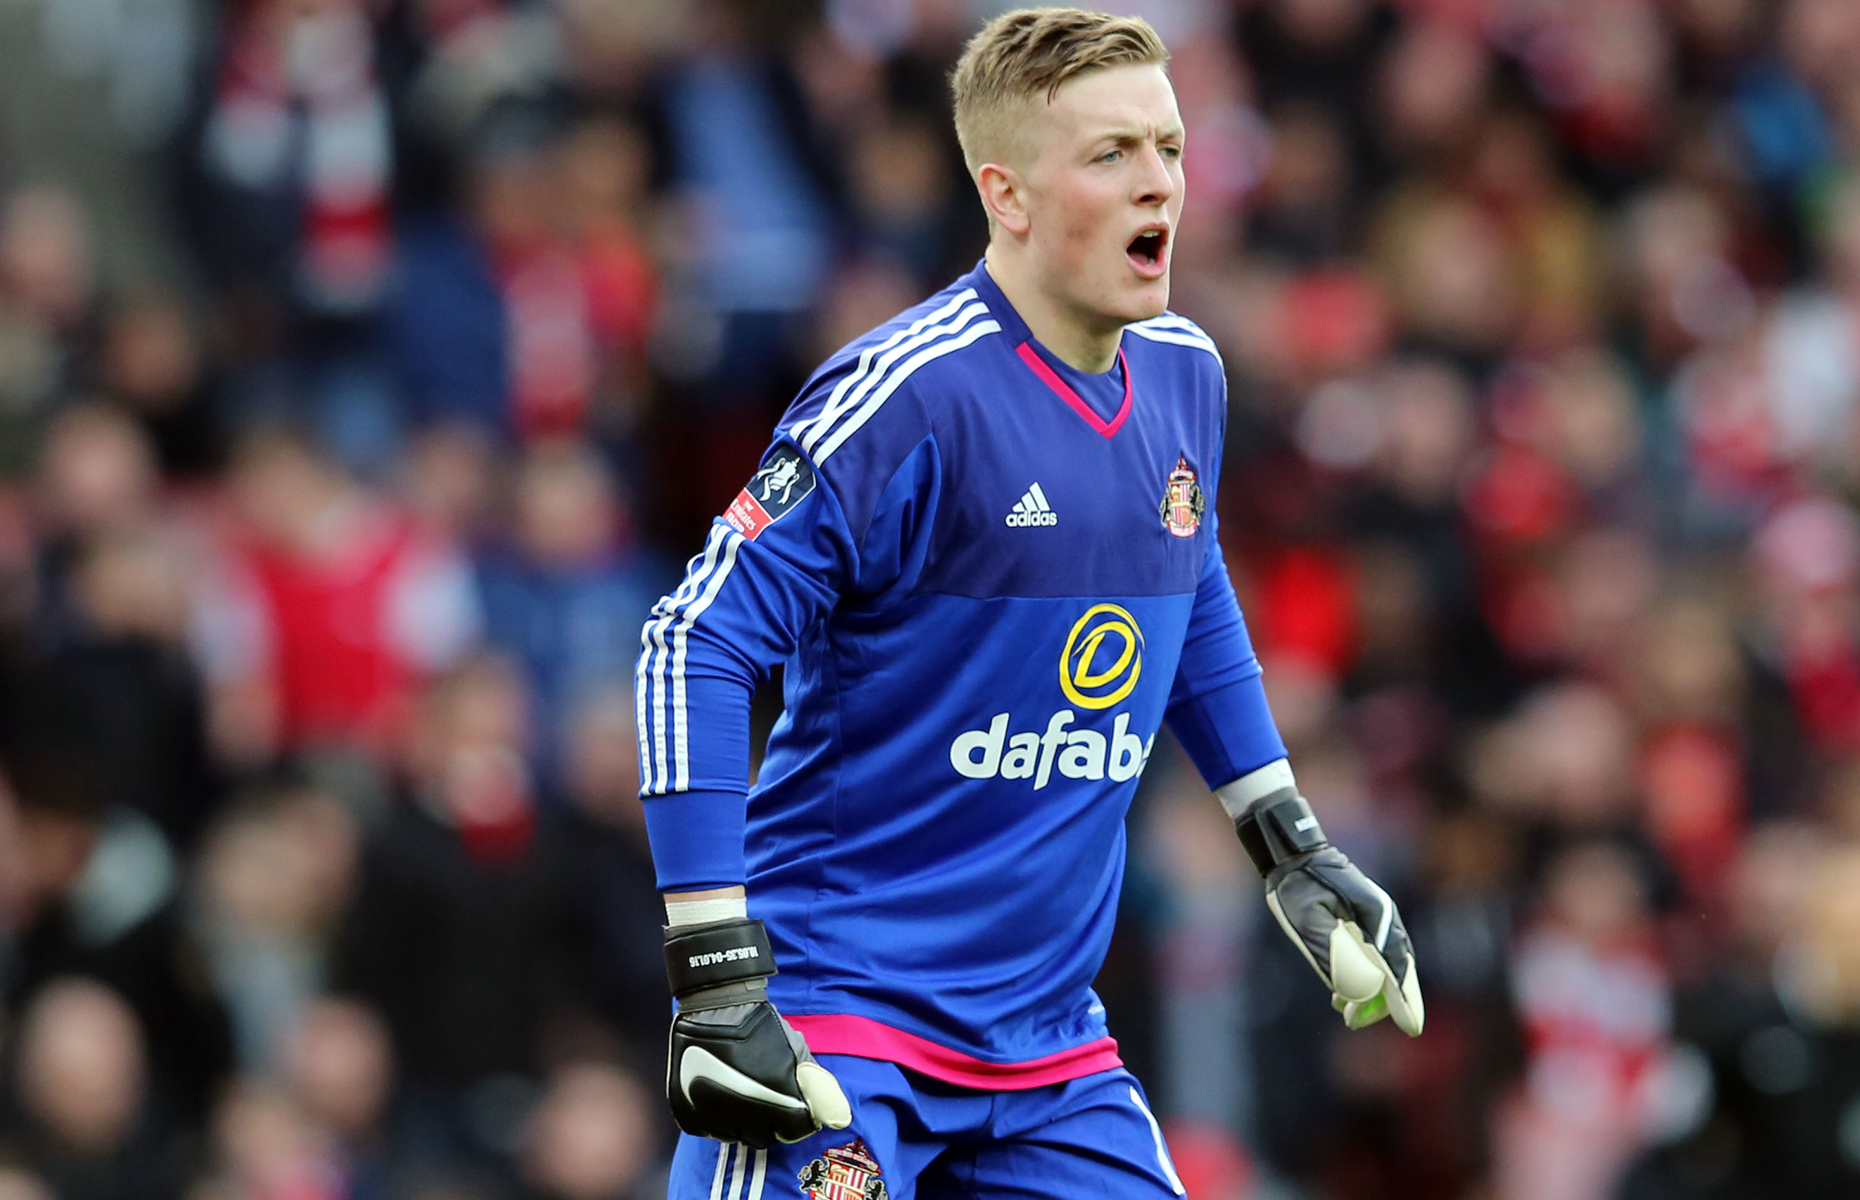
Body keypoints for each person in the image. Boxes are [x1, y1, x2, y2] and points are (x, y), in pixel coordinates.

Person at [634, 10, 1424, 1199]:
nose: (1160, 184)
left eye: (1169, 147)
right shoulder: (908, 397)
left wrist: (1286, 841)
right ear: (1007, 194)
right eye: (1112, 154)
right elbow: (692, 640)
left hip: (1047, 1047)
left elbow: (1187, 577)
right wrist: (714, 974)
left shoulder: (1186, 375)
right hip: (837, 1027)